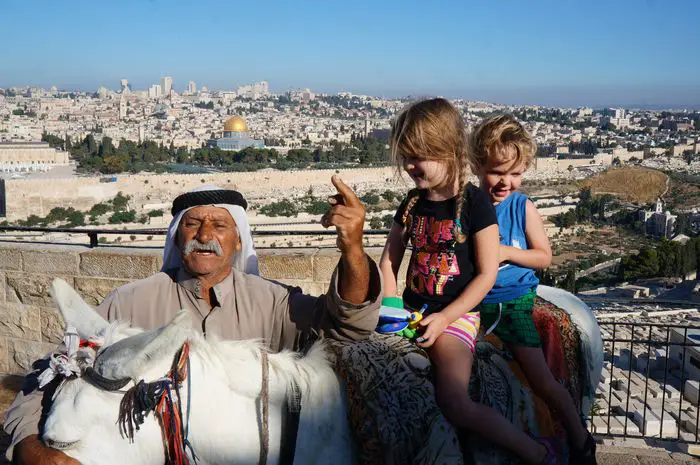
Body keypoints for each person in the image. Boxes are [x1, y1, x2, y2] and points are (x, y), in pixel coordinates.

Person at [5, 178, 381, 465]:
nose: (204, 235)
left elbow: (349, 327)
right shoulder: (131, 301)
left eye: (219, 225)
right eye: (193, 224)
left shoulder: (273, 301)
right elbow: (52, 375)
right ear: (176, 235)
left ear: (238, 241)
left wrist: (352, 250)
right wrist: (29, 447)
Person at [379, 98, 559, 465]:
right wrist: (392, 305)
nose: (411, 165)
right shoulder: (411, 204)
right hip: (411, 312)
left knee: (454, 402)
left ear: (450, 151)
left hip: (455, 317)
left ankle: (535, 452)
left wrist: (446, 318)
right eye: (406, 156)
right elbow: (389, 261)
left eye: (421, 155)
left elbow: (487, 273)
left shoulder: (476, 203)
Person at [472, 114, 596, 465]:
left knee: (541, 379)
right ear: (477, 165)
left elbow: (544, 257)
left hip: (511, 303)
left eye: (515, 173)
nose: (505, 182)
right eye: (497, 171)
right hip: (473, 301)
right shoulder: (466, 205)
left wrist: (506, 253)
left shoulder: (521, 206)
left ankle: (579, 439)